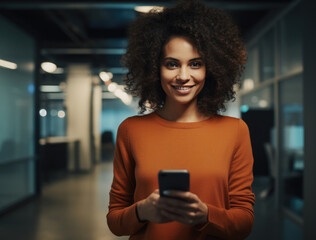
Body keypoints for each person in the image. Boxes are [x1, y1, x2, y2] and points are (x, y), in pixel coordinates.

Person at [107, 1, 255, 239]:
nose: (183, 76)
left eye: (195, 64)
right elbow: (115, 223)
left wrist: (205, 215)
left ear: (212, 68)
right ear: (155, 69)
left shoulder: (235, 131)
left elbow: (244, 222)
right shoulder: (131, 130)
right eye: (172, 64)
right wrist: (142, 211)